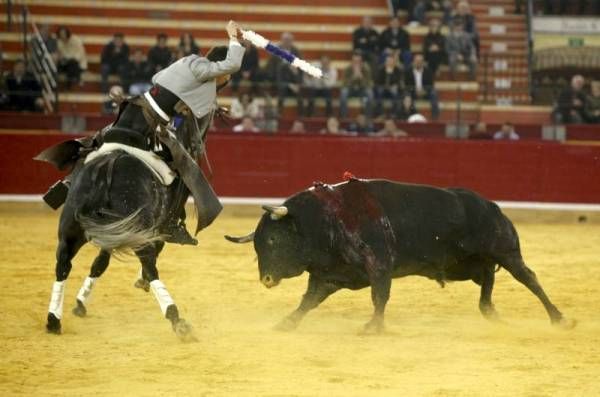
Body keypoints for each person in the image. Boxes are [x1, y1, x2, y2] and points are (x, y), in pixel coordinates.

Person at [39, 21, 245, 245]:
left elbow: (160, 79)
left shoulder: (188, 62)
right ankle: (172, 222)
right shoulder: (204, 68)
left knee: (98, 142)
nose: (227, 80)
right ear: (218, 65)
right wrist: (234, 38)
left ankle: (69, 182)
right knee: (184, 167)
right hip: (150, 122)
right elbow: (232, 65)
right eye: (226, 77)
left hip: (133, 109)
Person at [405, 53, 440, 120]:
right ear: (413, 62)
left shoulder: (428, 71)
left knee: (434, 93)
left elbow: (431, 84)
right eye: (417, 61)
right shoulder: (408, 71)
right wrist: (415, 90)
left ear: (423, 62)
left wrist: (424, 91)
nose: (418, 63)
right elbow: (407, 85)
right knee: (407, 95)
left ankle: (435, 117)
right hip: (413, 92)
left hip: (426, 92)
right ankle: (409, 117)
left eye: (420, 61)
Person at [340, 51, 374, 118]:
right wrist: (353, 78)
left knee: (370, 93)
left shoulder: (366, 69)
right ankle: (344, 116)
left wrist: (361, 78)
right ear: (352, 62)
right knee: (343, 93)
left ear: (361, 62)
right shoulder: (348, 69)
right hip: (351, 90)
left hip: (362, 90)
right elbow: (344, 84)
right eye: (354, 61)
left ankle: (368, 116)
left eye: (358, 61)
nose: (356, 63)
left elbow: (369, 84)